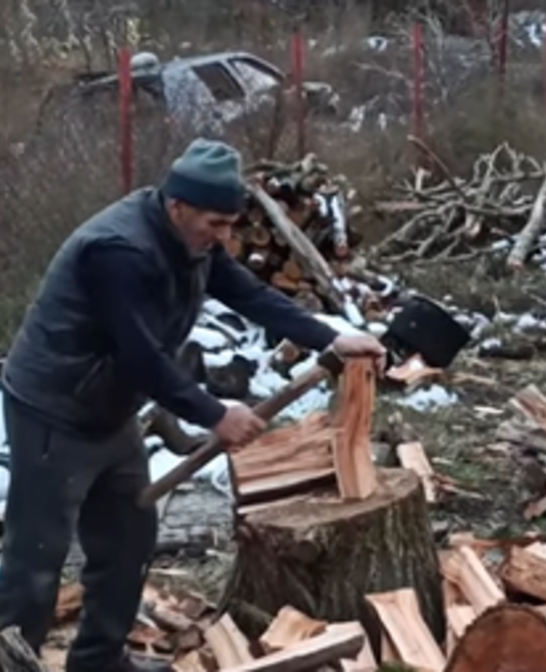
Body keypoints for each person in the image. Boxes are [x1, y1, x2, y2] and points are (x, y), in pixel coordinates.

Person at [0, 138, 387, 672]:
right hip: (54, 408)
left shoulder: (196, 243)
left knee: (129, 541)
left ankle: (99, 662)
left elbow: (250, 294)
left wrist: (329, 339)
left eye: (231, 224)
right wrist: (214, 413)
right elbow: (139, 354)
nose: (225, 236)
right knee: (36, 558)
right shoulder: (120, 251)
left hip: (108, 406)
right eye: (215, 223)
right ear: (176, 205)